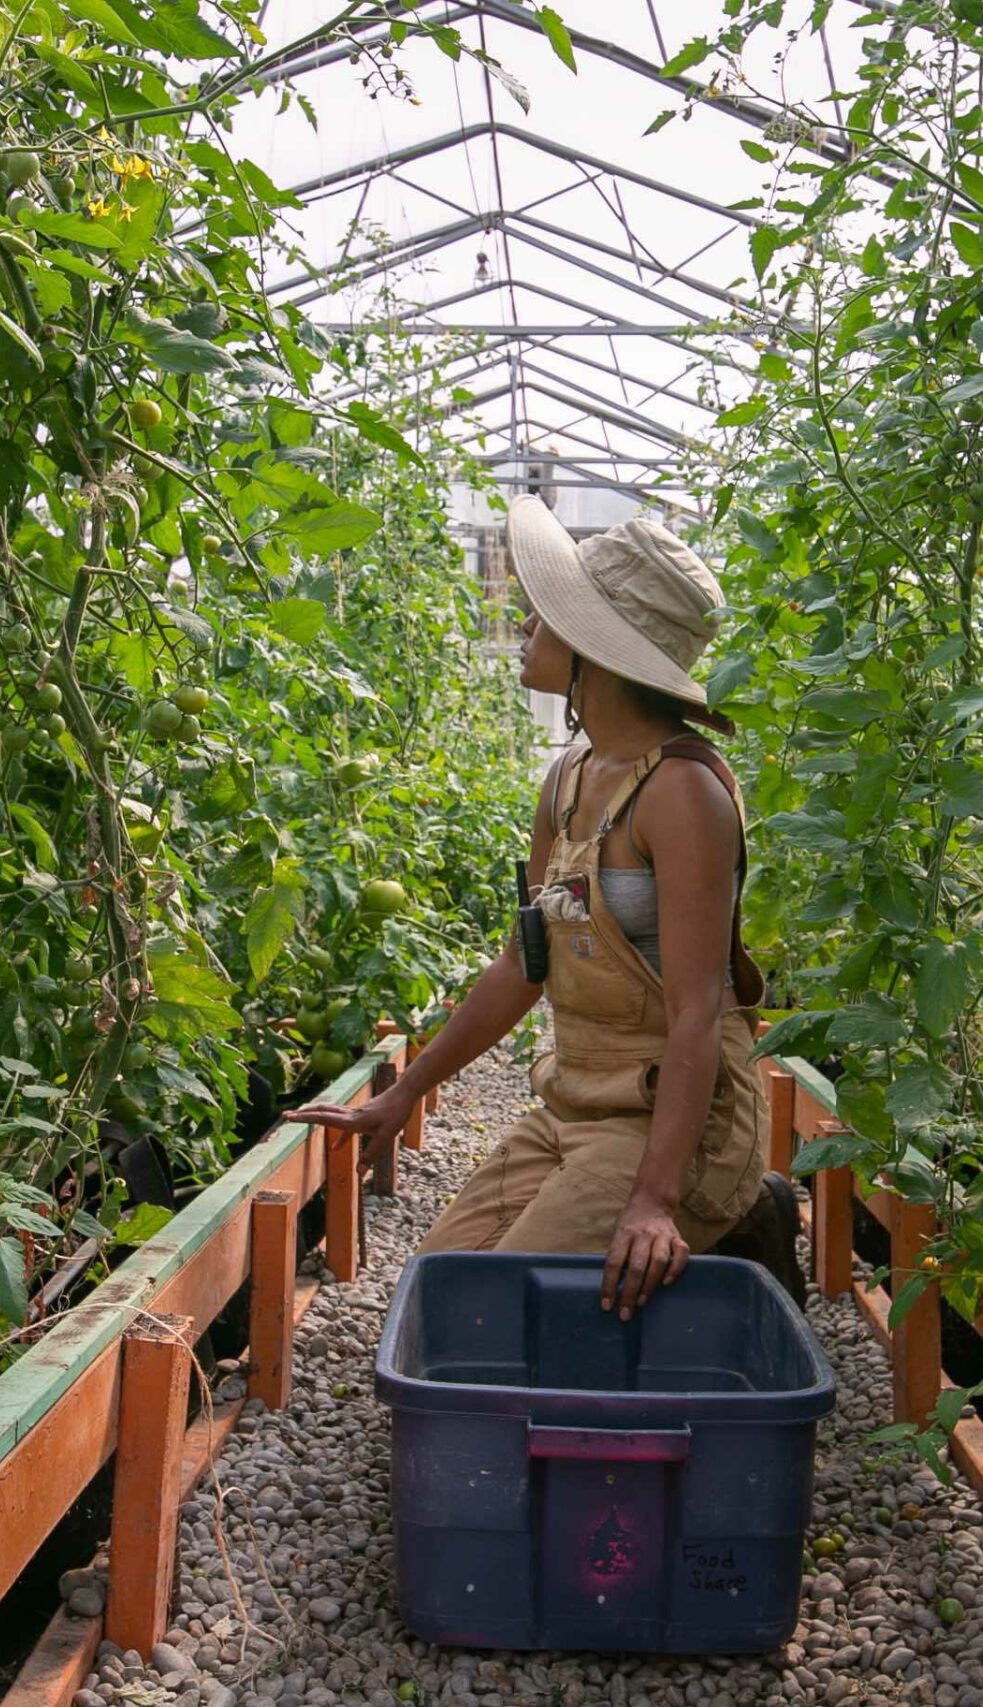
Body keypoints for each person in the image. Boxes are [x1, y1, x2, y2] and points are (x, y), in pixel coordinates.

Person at [294, 495, 800, 1321]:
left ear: (597, 649)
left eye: (549, 614)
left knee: (499, 1311)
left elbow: (699, 1012)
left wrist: (654, 1201)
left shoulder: (683, 793)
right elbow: (522, 962)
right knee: (434, 1296)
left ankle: (737, 1209)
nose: (528, 622)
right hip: (573, 1107)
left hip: (674, 1126)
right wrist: (403, 1092)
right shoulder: (567, 780)